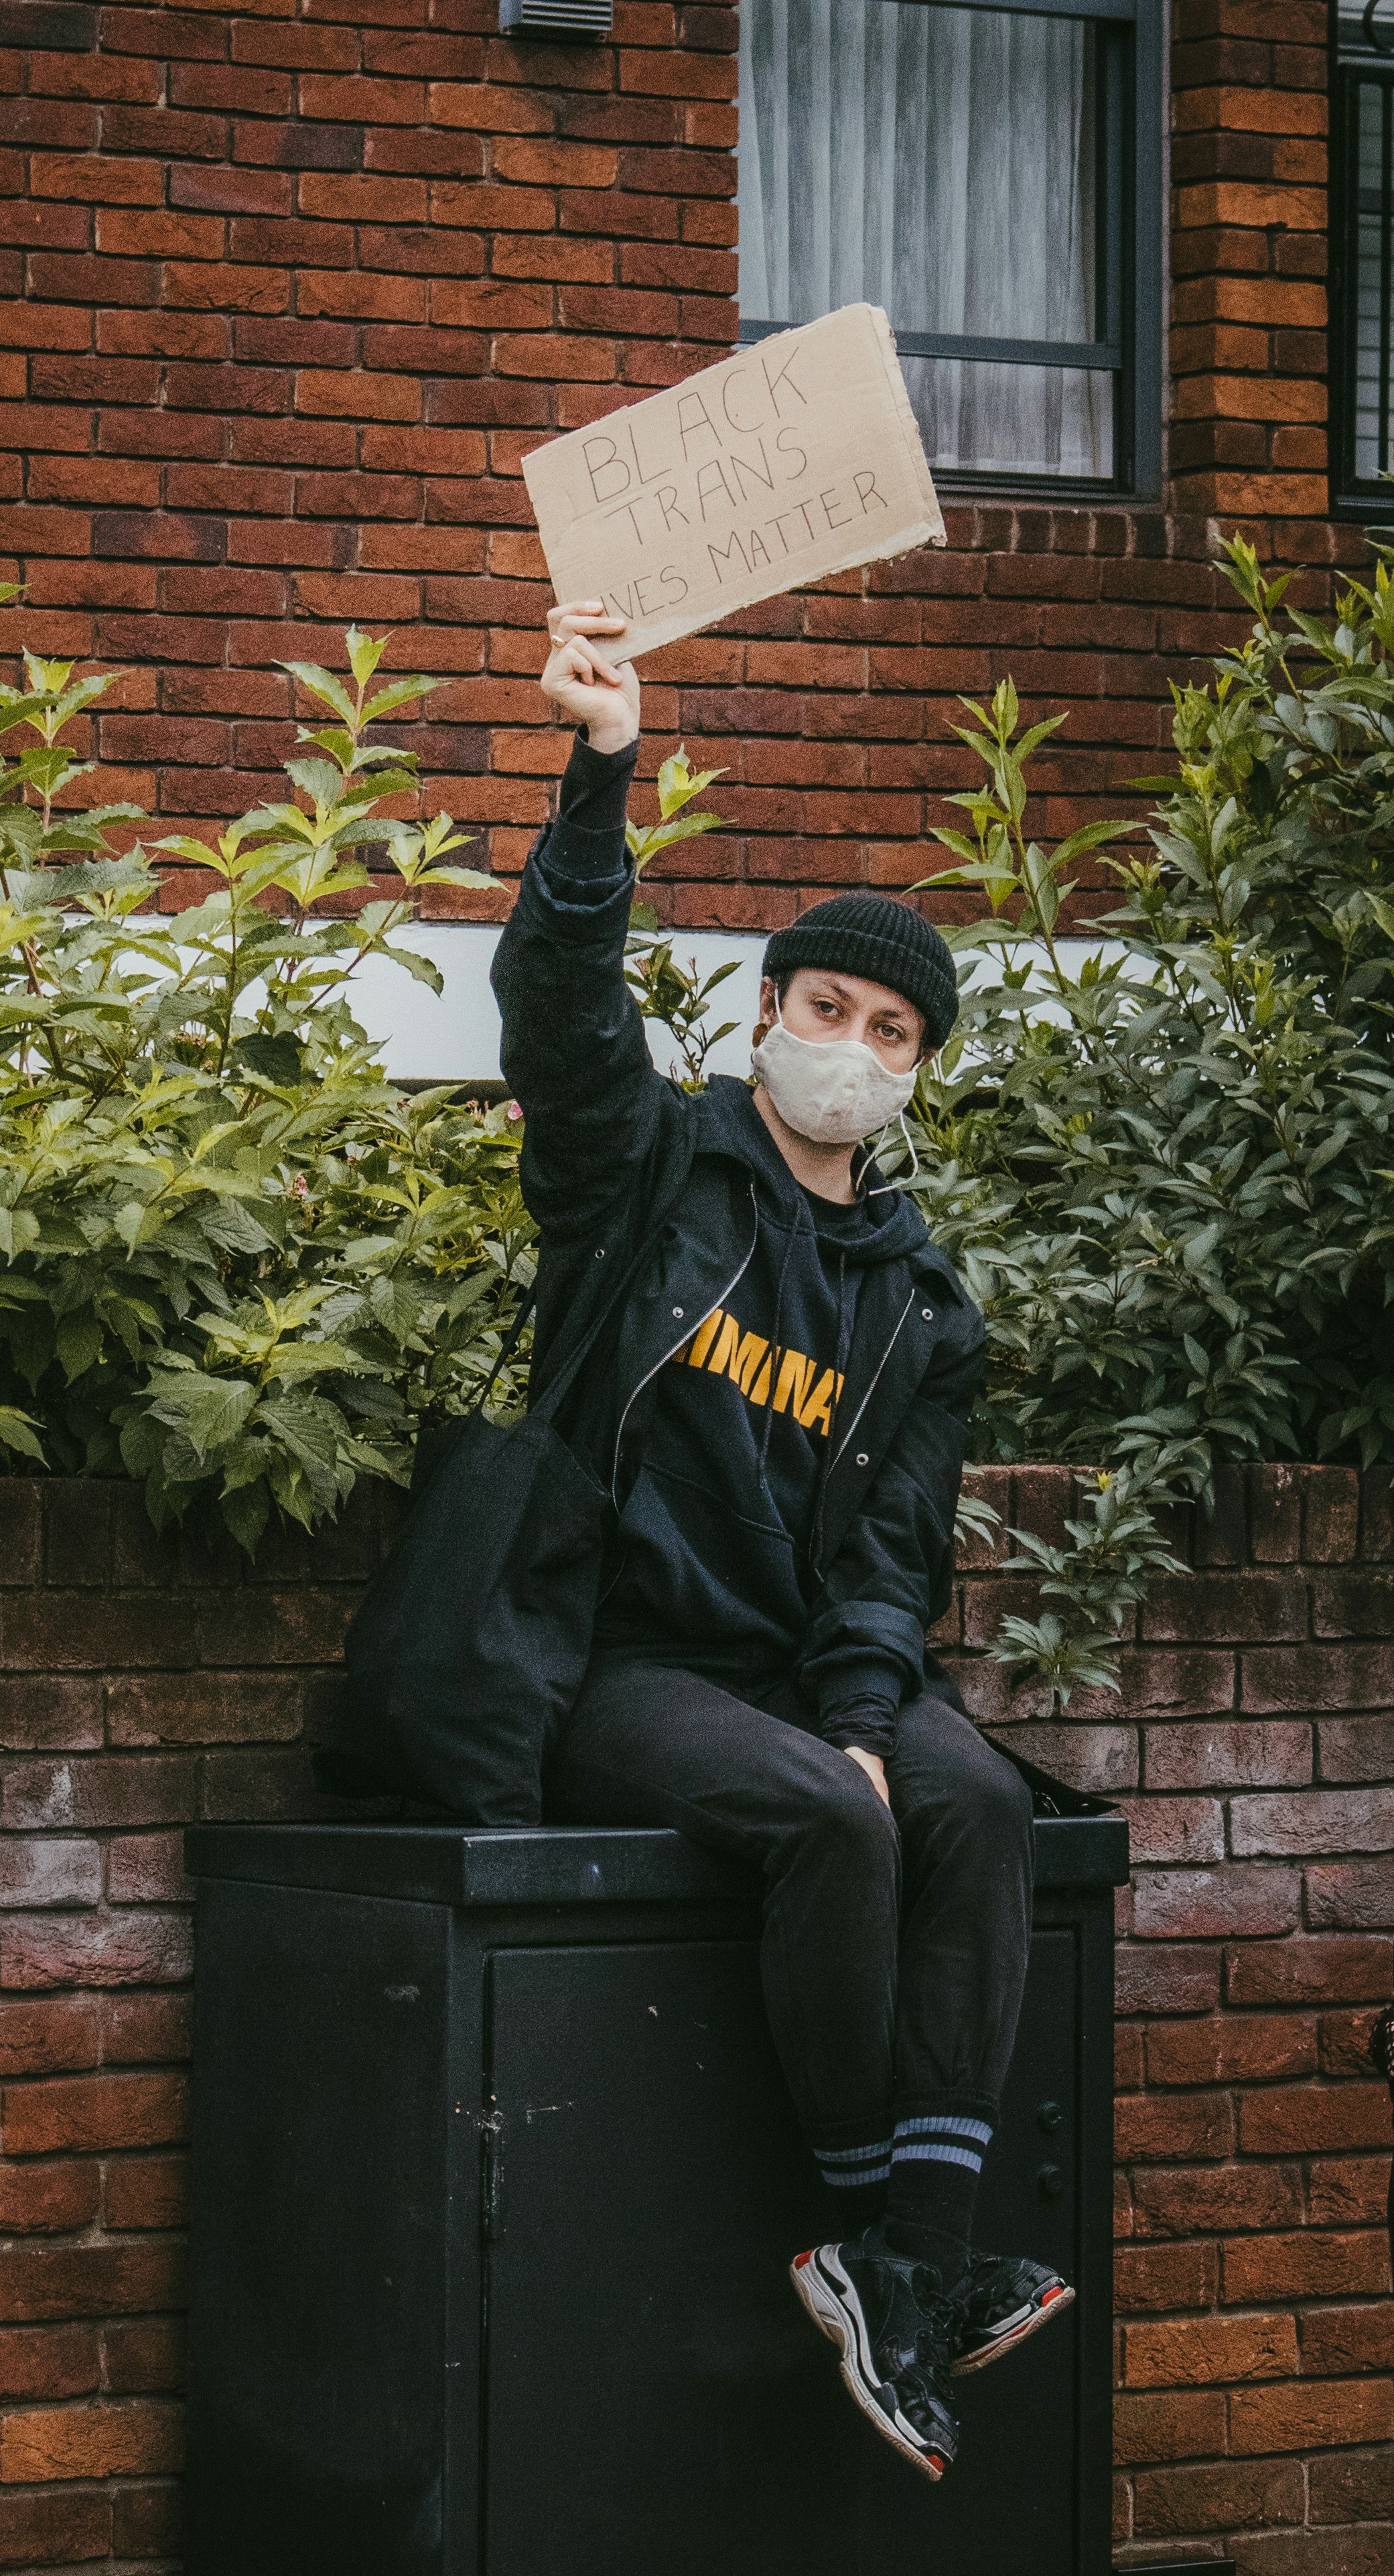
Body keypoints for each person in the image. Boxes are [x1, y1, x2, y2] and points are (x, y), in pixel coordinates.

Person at [489, 597, 1070, 2485]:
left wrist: (857, 1707)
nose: (849, 1044)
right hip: (614, 1664)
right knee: (836, 1819)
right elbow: (558, 1012)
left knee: (972, 1799)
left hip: (791, 1675)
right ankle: (868, 2234)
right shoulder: (648, 1172)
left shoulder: (920, 1301)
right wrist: (597, 777)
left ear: (913, 1071)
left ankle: (910, 2260)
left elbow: (890, 1557)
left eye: (889, 1029)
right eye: (825, 1007)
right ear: (764, 1015)